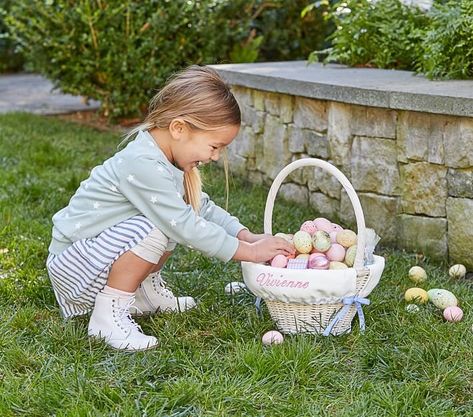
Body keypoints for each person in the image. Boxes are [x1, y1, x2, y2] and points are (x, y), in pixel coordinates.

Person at [46, 65, 295, 352]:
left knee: (169, 220)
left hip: (93, 260)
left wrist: (245, 235)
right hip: (74, 268)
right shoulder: (141, 163)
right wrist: (249, 253)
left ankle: (145, 295)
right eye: (214, 147)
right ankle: (107, 315)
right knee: (160, 226)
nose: (215, 157)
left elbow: (203, 208)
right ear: (179, 128)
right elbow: (185, 225)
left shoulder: (164, 160)